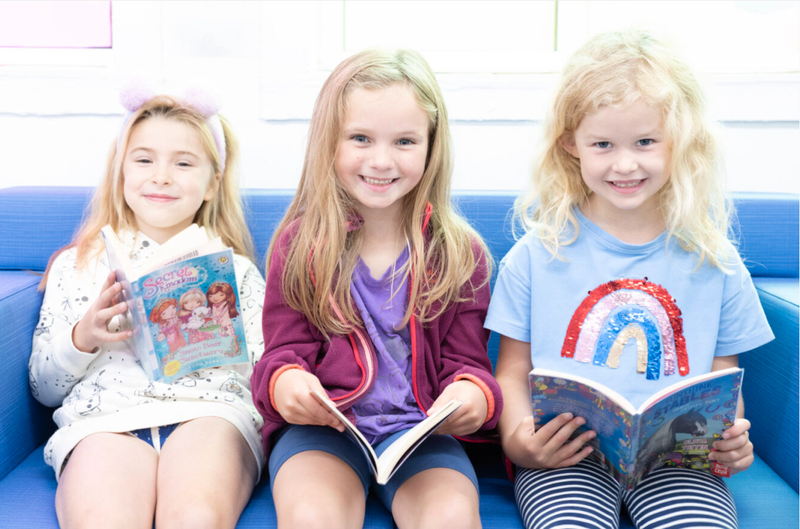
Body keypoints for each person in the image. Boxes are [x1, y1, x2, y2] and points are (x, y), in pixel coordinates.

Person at [485, 29, 774, 529]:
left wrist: (730, 440)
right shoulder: (536, 254)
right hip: (566, 457)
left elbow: (724, 381)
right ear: (571, 145)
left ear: (680, 142)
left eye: (645, 142)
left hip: (679, 465)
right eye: (603, 144)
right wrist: (518, 441)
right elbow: (512, 372)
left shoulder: (716, 261)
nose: (625, 163)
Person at [251, 48, 503, 529]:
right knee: (311, 517)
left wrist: (473, 397)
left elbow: (468, 365)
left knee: (451, 518)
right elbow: (280, 356)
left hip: (421, 436)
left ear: (432, 145)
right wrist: (287, 385)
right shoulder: (302, 244)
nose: (381, 161)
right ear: (331, 142)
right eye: (361, 138)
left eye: (405, 141)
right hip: (325, 431)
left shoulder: (458, 252)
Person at [30, 89, 266, 529]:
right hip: (106, 423)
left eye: (183, 162)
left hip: (209, 413)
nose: (161, 177)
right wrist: (84, 337)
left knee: (195, 518)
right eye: (144, 160)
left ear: (213, 182)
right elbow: (43, 388)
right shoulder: (77, 265)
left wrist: (218, 332)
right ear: (120, 172)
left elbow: (268, 377)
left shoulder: (236, 271)